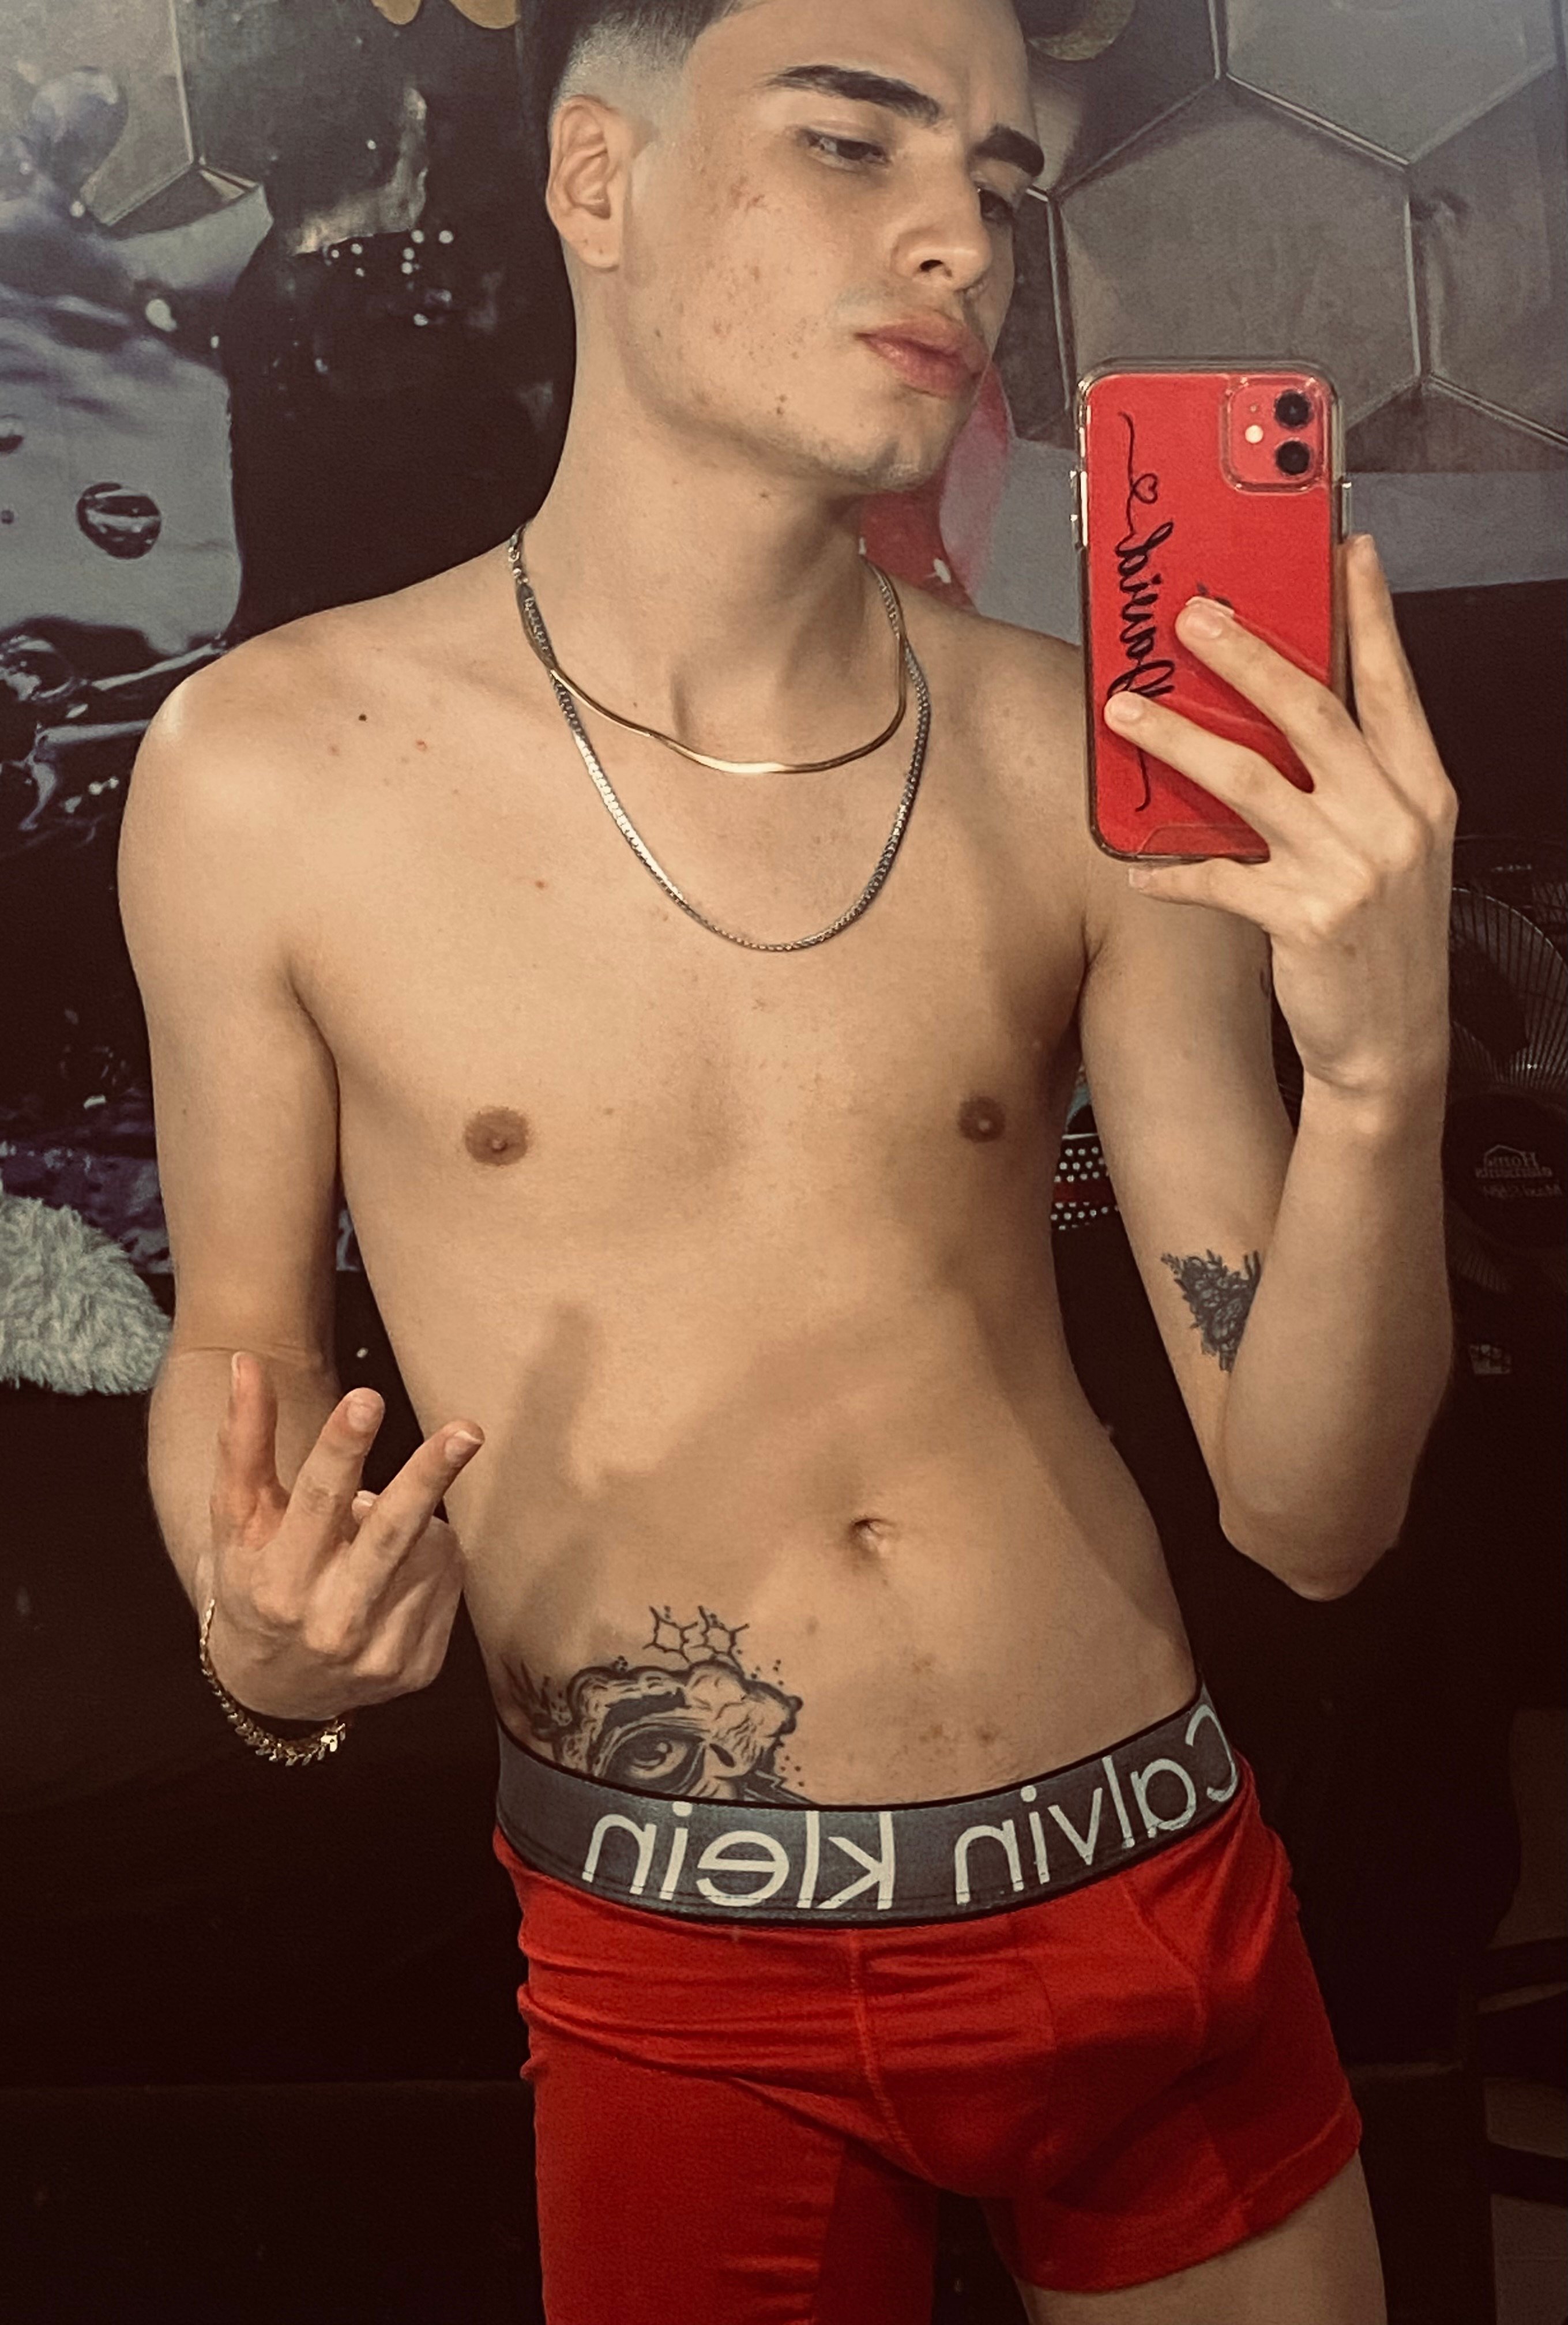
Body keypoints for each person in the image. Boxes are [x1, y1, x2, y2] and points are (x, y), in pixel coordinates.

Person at [118, 0, 1460, 2315]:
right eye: (854, 144)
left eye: (1000, 188)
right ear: (598, 181)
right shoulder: (268, 775)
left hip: (1145, 1883)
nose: (960, 241)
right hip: (675, 1961)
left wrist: (1379, 1085)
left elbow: (1313, 1521)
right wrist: (263, 1644)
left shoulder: (1072, 762)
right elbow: (234, 1343)